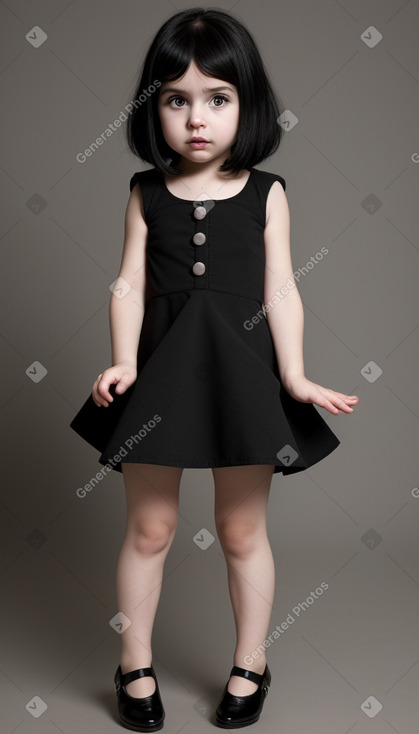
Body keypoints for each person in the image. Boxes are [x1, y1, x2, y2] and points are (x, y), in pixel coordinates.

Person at [69, 7, 359, 731]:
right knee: (150, 528)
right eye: (176, 99)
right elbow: (129, 283)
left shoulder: (268, 193)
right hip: (162, 375)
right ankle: (133, 661)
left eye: (217, 98)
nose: (196, 118)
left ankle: (250, 661)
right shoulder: (144, 191)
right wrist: (121, 362)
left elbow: (281, 288)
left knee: (240, 530)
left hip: (241, 375)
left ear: (246, 104)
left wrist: (292, 375)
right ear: (153, 108)